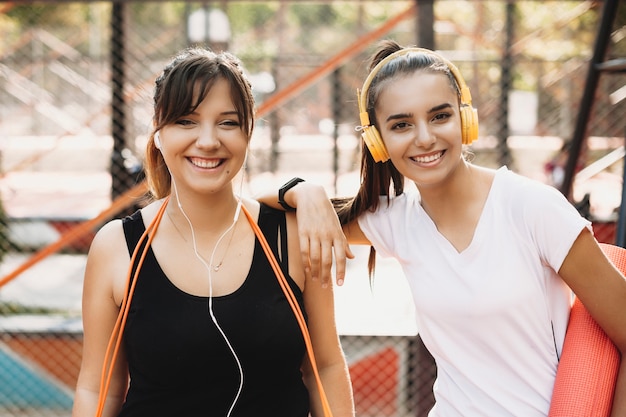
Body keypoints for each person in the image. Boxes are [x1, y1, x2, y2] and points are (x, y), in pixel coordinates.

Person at [267, 40, 626, 416]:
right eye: (402, 124)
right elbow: (262, 210)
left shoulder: (533, 208)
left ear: (464, 118)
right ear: (378, 141)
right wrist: (305, 192)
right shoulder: (394, 222)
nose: (424, 137)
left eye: (440, 116)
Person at [72, 47, 354, 417]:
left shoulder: (292, 237)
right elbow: (99, 390)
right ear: (157, 132)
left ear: (249, 132)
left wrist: (305, 191)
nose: (207, 141)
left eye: (227, 122)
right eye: (186, 121)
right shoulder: (118, 246)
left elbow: (326, 367)